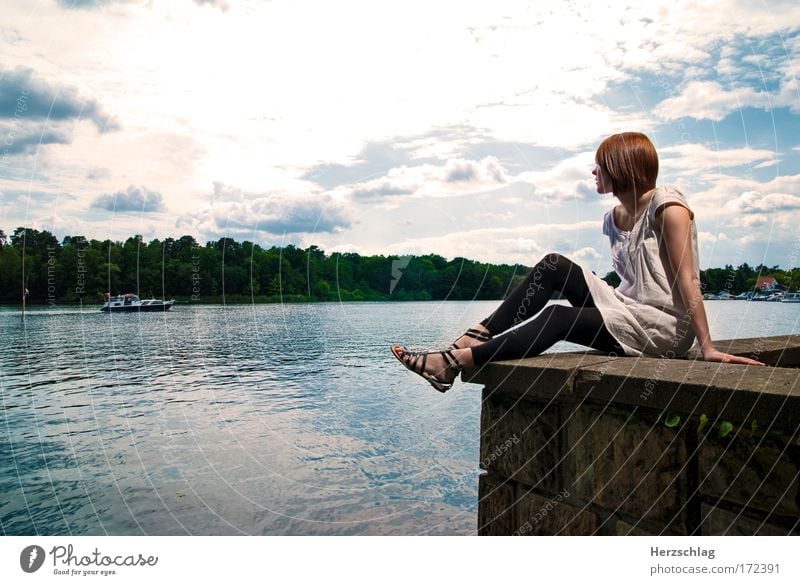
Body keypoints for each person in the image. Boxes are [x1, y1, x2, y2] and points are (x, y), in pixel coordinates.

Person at [391, 132, 765, 393]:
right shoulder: (613, 218)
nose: (594, 172)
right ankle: (470, 339)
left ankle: (452, 362)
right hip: (628, 308)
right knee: (553, 264)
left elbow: (687, 280)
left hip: (665, 326)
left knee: (558, 319)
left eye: (600, 165)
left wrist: (707, 346)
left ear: (621, 166)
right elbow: (633, 283)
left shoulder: (668, 206)